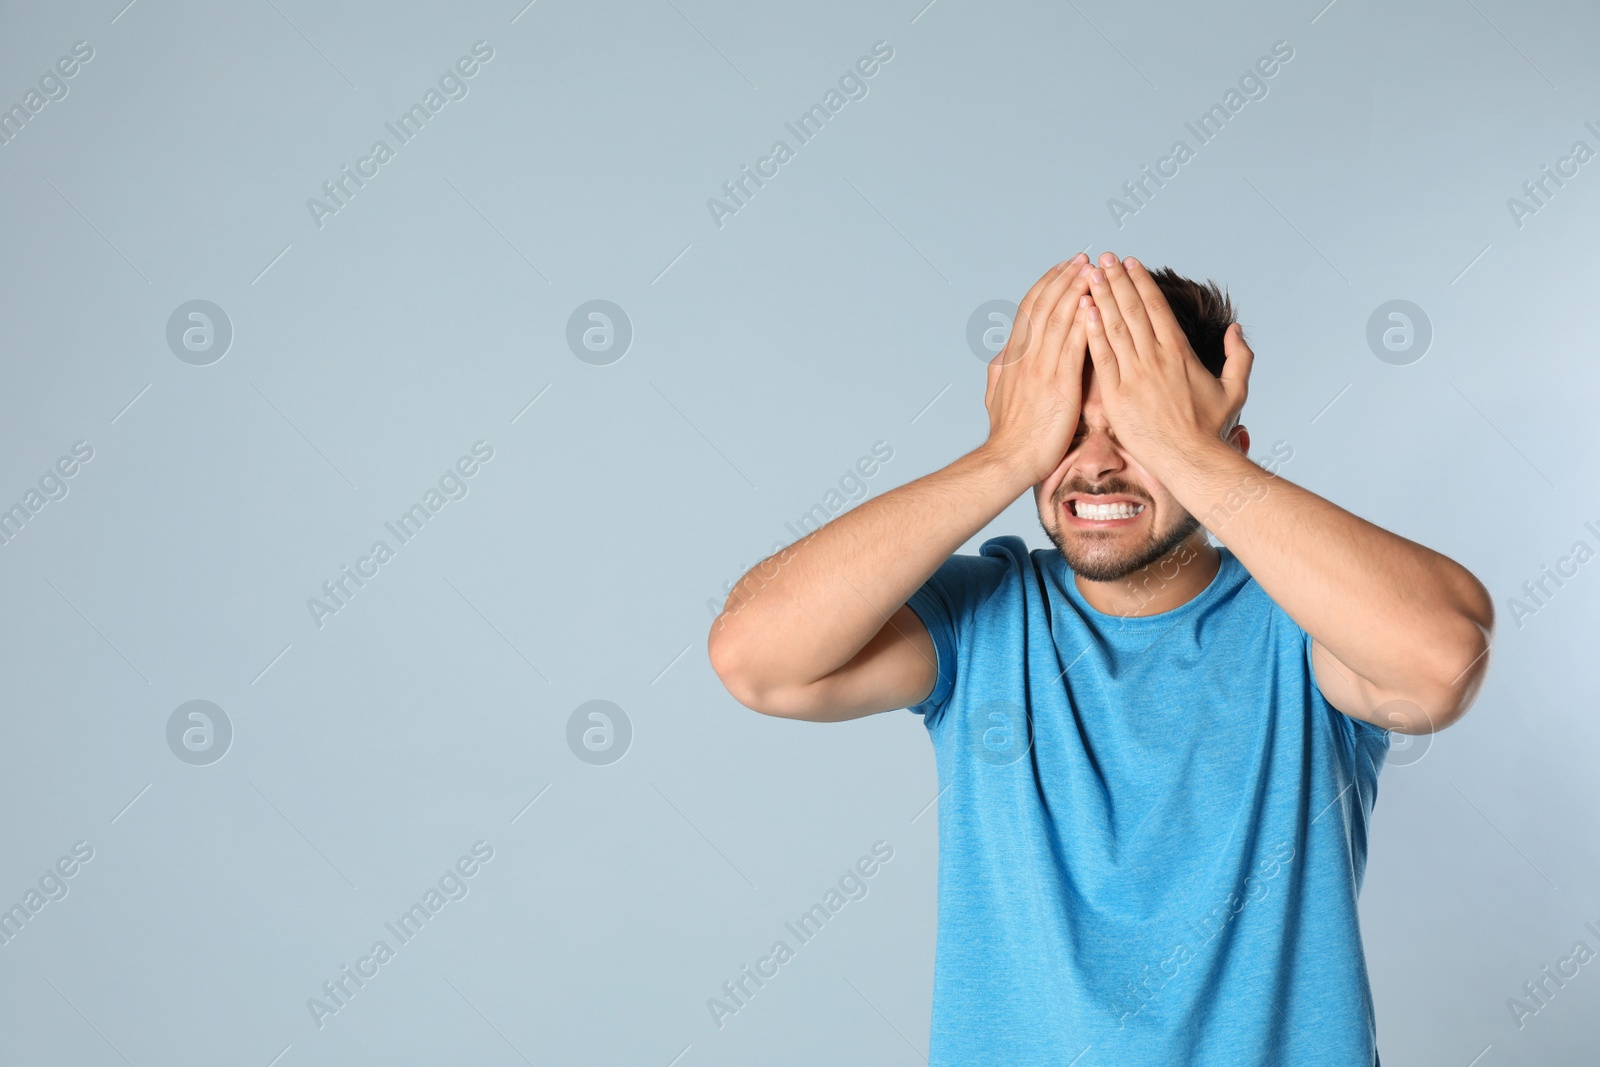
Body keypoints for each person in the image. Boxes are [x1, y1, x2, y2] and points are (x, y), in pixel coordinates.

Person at [706, 250, 1494, 1065]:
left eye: (1140, 429)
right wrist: (1004, 455)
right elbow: (755, 657)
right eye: (1068, 430)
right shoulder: (981, 616)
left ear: (1227, 442)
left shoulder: (1308, 622)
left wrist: (1193, 451)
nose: (1097, 461)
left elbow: (1442, 662)